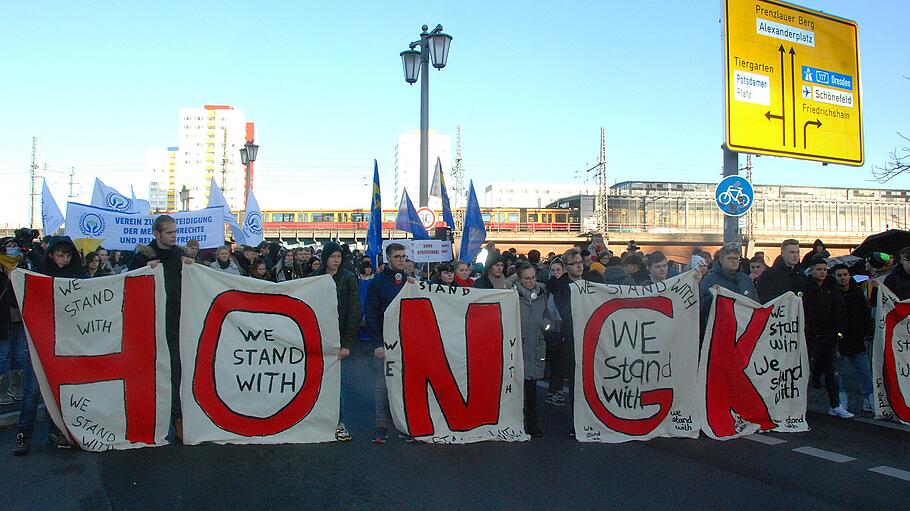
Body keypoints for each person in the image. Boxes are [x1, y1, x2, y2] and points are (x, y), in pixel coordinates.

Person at [14, 236, 86, 454]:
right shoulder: (38, 276)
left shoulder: (78, 276)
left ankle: (56, 433)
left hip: (66, 341)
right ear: (51, 254)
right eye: (59, 255)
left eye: (67, 255)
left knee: (60, 389)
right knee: (33, 391)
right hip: (40, 340)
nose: (63, 259)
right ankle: (23, 436)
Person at [128, 215, 190, 441]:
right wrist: (142, 269)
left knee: (176, 373)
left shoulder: (179, 255)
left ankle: (177, 418)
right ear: (157, 234)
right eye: (170, 233)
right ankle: (149, 420)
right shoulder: (142, 257)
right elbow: (127, 282)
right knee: (151, 372)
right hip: (149, 325)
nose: (174, 236)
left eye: (175, 232)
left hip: (175, 324)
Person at [308, 242, 360, 441]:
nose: (336, 260)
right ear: (326, 258)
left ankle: (340, 422)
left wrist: (347, 343)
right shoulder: (314, 279)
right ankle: (317, 421)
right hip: (318, 337)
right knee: (316, 381)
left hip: (338, 338)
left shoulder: (348, 279)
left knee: (337, 384)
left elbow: (354, 311)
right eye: (333, 256)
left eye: (339, 256)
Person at [366, 243, 411, 444]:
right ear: (388, 259)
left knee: (404, 385)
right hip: (384, 341)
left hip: (406, 341)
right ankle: (381, 426)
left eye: (403, 256)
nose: (401, 260)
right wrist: (377, 343)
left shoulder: (411, 282)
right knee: (382, 386)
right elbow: (372, 315)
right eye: (397, 256)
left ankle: (404, 425)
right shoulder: (377, 283)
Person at [803, 256, 852, 419]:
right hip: (811, 335)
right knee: (807, 371)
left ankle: (835, 405)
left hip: (830, 335)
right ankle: (801, 404)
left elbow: (840, 307)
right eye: (819, 269)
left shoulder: (831, 285)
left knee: (832, 372)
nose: (822, 272)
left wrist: (839, 330)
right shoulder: (806, 286)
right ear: (812, 270)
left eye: (824, 269)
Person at [831, 263, 874, 413]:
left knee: (866, 373)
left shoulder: (857, 293)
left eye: (845, 274)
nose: (843, 278)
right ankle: (840, 400)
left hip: (856, 340)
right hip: (838, 341)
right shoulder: (832, 294)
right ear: (835, 277)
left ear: (849, 275)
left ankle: (869, 399)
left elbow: (865, 314)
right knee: (836, 374)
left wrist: (867, 331)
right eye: (839, 275)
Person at [515, 262, 549, 437]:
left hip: (536, 344)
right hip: (518, 346)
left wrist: (545, 326)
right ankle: (516, 423)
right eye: (527, 278)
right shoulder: (511, 295)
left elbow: (548, 316)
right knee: (516, 389)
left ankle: (532, 425)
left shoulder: (542, 293)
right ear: (520, 279)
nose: (531, 281)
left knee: (532, 390)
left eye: (533, 277)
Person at [699, 243, 757, 330]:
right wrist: (711, 296)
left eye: (736, 258)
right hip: (721, 330)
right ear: (721, 260)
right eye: (730, 258)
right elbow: (701, 309)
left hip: (745, 328)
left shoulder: (746, 279)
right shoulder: (709, 280)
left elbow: (755, 301)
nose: (734, 261)